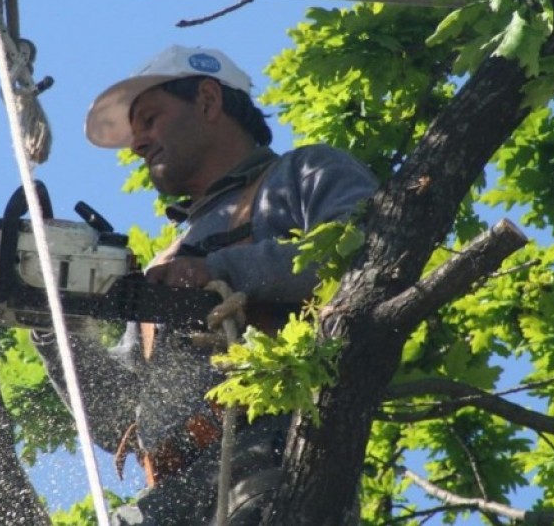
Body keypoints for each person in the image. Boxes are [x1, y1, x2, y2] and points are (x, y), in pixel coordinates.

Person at [32, 45, 378, 524]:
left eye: (150, 119)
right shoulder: (167, 262)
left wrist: (222, 270)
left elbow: (370, 262)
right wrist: (54, 327)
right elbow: (118, 418)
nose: (139, 143)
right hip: (176, 496)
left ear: (209, 100)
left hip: (271, 460)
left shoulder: (302, 175)